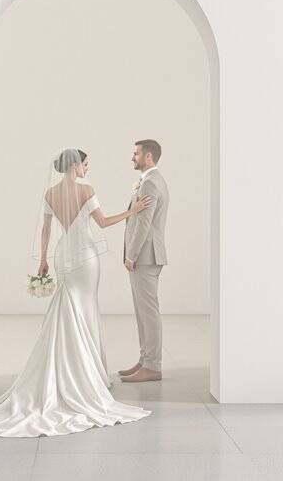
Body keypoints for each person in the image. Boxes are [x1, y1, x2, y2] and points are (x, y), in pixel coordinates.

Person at [0, 148, 153, 437]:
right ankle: (89, 375)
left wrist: (44, 260)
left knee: (69, 305)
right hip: (85, 256)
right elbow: (104, 223)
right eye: (85, 164)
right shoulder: (86, 190)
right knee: (86, 307)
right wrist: (133, 211)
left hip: (62, 255)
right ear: (75, 166)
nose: (87, 169)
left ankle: (73, 371)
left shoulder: (50, 193)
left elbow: (46, 229)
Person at [119, 139, 169, 383]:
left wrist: (131, 255)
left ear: (148, 156)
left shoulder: (150, 183)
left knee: (148, 312)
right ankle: (145, 359)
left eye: (136, 153)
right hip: (147, 255)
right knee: (142, 311)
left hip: (145, 256)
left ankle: (152, 365)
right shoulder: (149, 181)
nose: (132, 157)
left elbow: (144, 223)